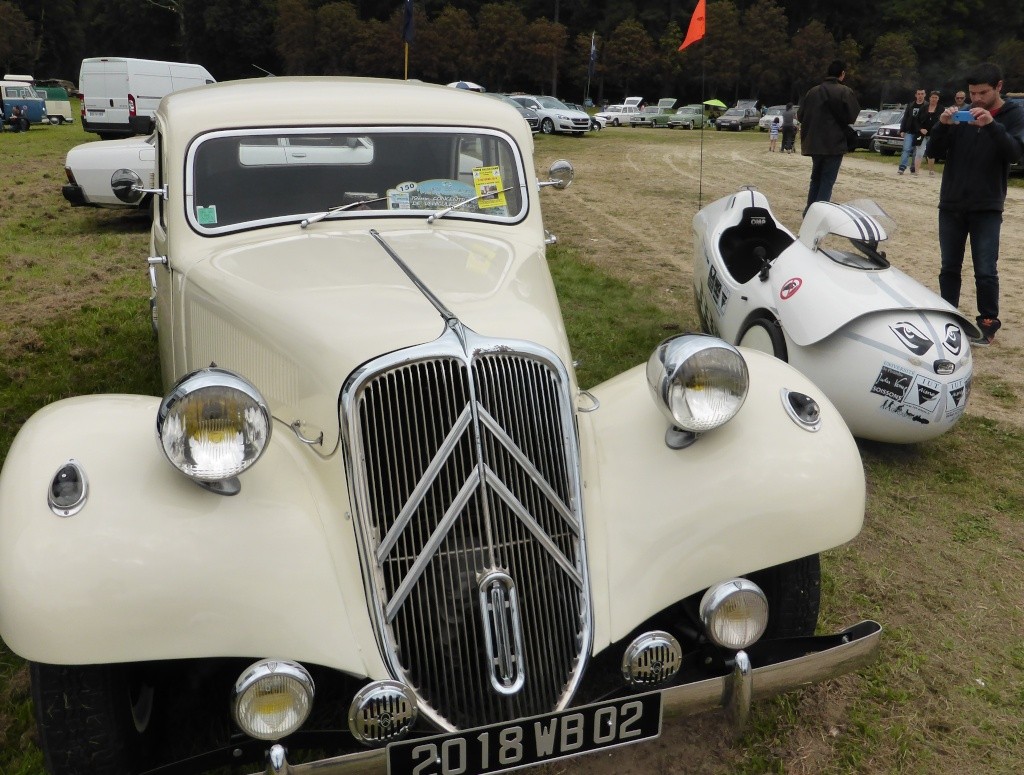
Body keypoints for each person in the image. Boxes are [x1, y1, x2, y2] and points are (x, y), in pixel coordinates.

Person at [926, 62, 1024, 346]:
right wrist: (942, 126)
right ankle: (948, 315)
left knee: (984, 268)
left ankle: (987, 322)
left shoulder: (1013, 114)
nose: (976, 99)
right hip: (952, 202)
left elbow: (1015, 153)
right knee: (949, 267)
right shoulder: (961, 115)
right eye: (972, 93)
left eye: (983, 93)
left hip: (987, 205)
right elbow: (934, 152)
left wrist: (991, 125)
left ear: (999, 87)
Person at [798, 60, 860, 213]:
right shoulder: (845, 92)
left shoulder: (812, 92)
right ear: (842, 74)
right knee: (827, 181)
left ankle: (809, 210)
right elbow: (852, 116)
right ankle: (819, 214)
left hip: (814, 143)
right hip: (834, 144)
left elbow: (800, 116)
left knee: (816, 179)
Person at [898, 89, 927, 174]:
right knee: (906, 149)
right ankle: (902, 167)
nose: (920, 95)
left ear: (925, 95)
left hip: (919, 132)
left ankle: (914, 167)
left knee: (916, 151)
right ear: (916, 95)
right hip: (909, 131)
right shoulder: (910, 105)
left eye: (922, 94)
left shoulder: (927, 105)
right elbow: (905, 118)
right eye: (918, 94)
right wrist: (902, 130)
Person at [915, 91, 942, 176]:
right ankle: (917, 171)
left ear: (938, 99)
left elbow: (942, 122)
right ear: (929, 98)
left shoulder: (941, 109)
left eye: (936, 98)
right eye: (932, 97)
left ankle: (931, 170)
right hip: (921, 134)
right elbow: (916, 121)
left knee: (931, 152)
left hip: (933, 134)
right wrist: (920, 129)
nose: (934, 99)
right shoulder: (923, 108)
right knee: (919, 151)